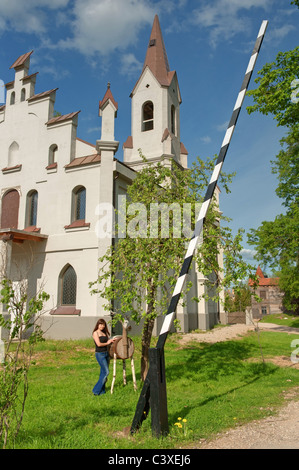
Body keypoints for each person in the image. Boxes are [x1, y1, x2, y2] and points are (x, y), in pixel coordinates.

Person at [92, 318, 116, 396]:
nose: (102, 326)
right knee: (106, 372)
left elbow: (108, 341)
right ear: (98, 325)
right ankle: (96, 390)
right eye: (100, 324)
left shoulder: (104, 333)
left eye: (103, 324)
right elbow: (98, 344)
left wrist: (112, 340)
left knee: (103, 372)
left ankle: (102, 391)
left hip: (106, 354)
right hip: (100, 354)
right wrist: (107, 342)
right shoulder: (95, 333)